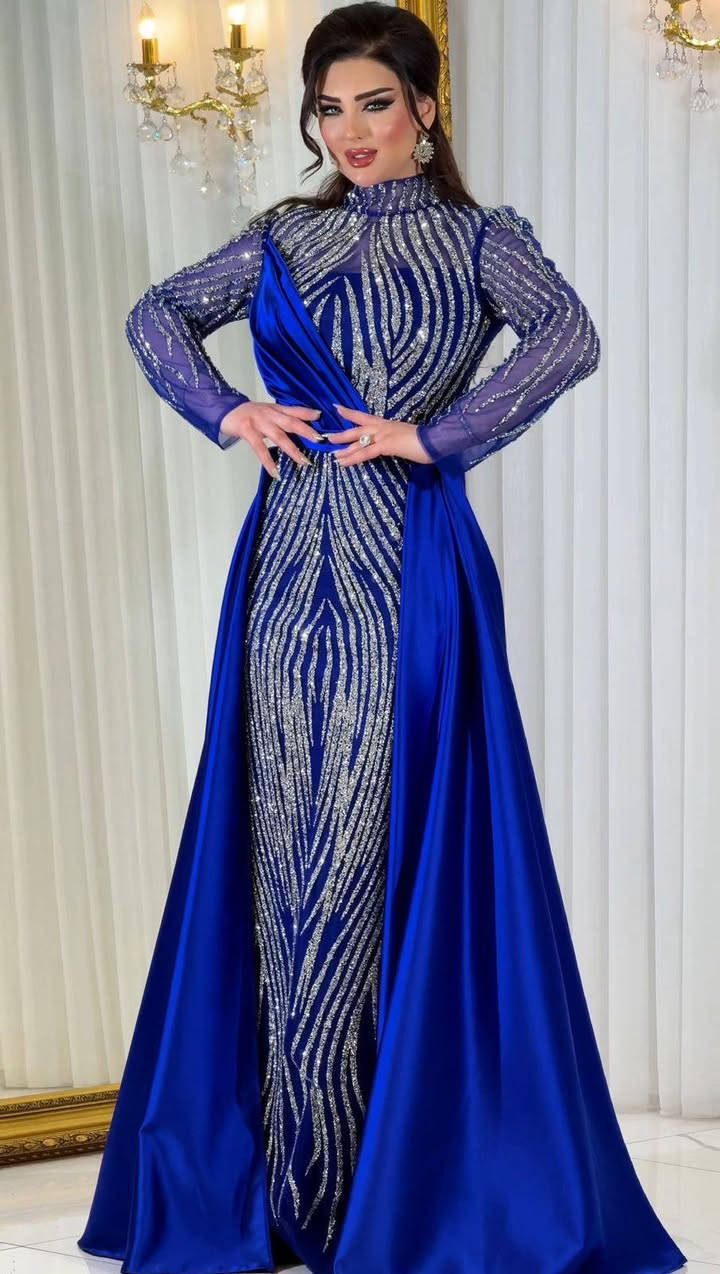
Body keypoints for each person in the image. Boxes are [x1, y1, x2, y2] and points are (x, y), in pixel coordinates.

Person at [77, 4, 687, 1273]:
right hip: (287, 570)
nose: (350, 131)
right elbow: (155, 315)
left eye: (374, 103)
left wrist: (434, 435)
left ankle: (378, 1181)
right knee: (283, 836)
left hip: (409, 573)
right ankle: (293, 1171)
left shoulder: (481, 239)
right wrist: (231, 410)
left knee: (380, 831)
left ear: (424, 110)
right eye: (329, 107)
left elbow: (569, 337)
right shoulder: (282, 236)